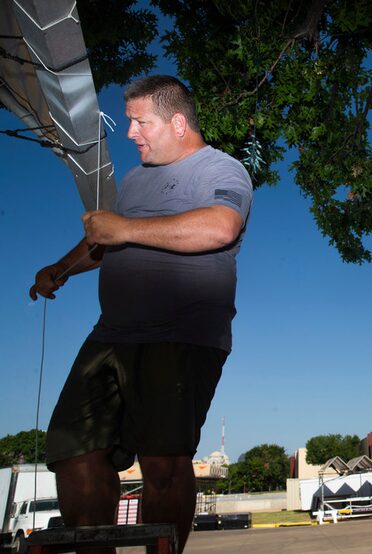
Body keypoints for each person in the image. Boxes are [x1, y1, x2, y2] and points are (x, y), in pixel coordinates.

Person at [29, 75, 253, 553]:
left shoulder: (221, 169)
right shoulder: (133, 181)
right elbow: (108, 241)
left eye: (139, 121)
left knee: (163, 462)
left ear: (176, 122)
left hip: (181, 335)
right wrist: (63, 267)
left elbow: (220, 227)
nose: (130, 132)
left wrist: (124, 228)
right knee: (73, 450)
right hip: (111, 335)